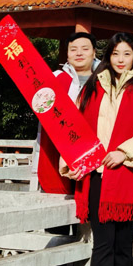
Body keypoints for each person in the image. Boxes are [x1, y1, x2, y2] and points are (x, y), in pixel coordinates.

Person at [62, 32, 133, 266]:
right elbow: (74, 129)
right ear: (108, 56)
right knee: (103, 244)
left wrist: (124, 153)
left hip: (130, 173)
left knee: (124, 244)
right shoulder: (92, 88)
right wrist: (73, 162)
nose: (120, 59)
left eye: (126, 54)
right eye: (115, 53)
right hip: (98, 173)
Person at [38, 32, 99, 195]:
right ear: (67, 54)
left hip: (94, 157)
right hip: (57, 154)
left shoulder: (105, 81)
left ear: (94, 52)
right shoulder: (54, 79)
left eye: (85, 49)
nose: (79, 53)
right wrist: (0, 34)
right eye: (73, 49)